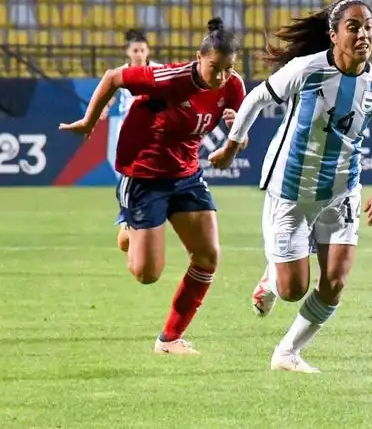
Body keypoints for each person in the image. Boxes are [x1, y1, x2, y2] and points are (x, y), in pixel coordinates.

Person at [210, 0, 372, 373]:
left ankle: (287, 353)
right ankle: (271, 277)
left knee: (335, 283)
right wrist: (232, 144)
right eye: (354, 27)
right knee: (293, 288)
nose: (364, 34)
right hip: (292, 190)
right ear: (333, 35)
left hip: (342, 194)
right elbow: (256, 98)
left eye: (369, 26)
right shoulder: (306, 70)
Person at [59, 18, 246, 353]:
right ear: (199, 58)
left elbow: (237, 141)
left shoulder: (233, 87)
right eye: (214, 68)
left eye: (228, 69)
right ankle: (130, 227)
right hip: (143, 175)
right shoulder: (170, 78)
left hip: (187, 175)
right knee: (147, 274)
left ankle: (170, 339)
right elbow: (113, 78)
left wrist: (233, 144)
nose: (220, 77)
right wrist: (89, 121)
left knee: (208, 256)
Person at [105, 29, 163, 237]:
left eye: (142, 49)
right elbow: (108, 96)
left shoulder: (158, 71)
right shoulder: (120, 74)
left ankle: (148, 214)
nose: (139, 53)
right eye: (135, 50)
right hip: (128, 135)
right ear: (128, 52)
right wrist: (102, 110)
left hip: (154, 133)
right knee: (128, 174)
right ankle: (127, 216)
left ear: (147, 51)